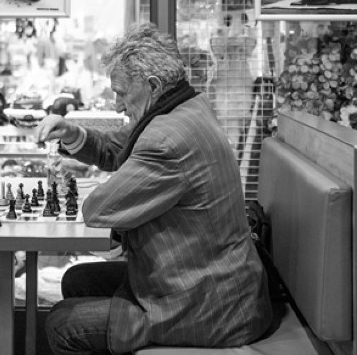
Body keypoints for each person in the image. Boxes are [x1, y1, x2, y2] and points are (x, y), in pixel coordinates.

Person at [35, 23, 273, 354]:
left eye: (120, 92)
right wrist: (73, 134)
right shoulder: (187, 107)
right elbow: (120, 147)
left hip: (208, 306)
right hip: (218, 281)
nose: (117, 105)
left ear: (152, 85)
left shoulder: (167, 139)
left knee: (63, 324)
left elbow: (99, 209)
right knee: (76, 280)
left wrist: (111, 181)